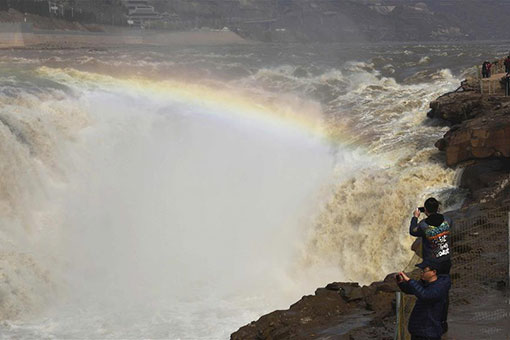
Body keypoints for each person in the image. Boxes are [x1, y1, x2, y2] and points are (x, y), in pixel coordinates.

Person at [396, 259, 451, 340]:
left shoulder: (440, 287)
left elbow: (426, 296)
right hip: (419, 331)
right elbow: (410, 289)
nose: (422, 273)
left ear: (433, 272)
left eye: (424, 271)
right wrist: (401, 283)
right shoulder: (425, 283)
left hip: (429, 333)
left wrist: (409, 280)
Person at [410, 197, 452, 275]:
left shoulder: (424, 225)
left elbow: (412, 231)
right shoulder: (447, 220)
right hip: (446, 259)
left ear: (425, 210)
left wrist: (415, 217)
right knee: (444, 279)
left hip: (432, 262)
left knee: (432, 284)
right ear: (437, 208)